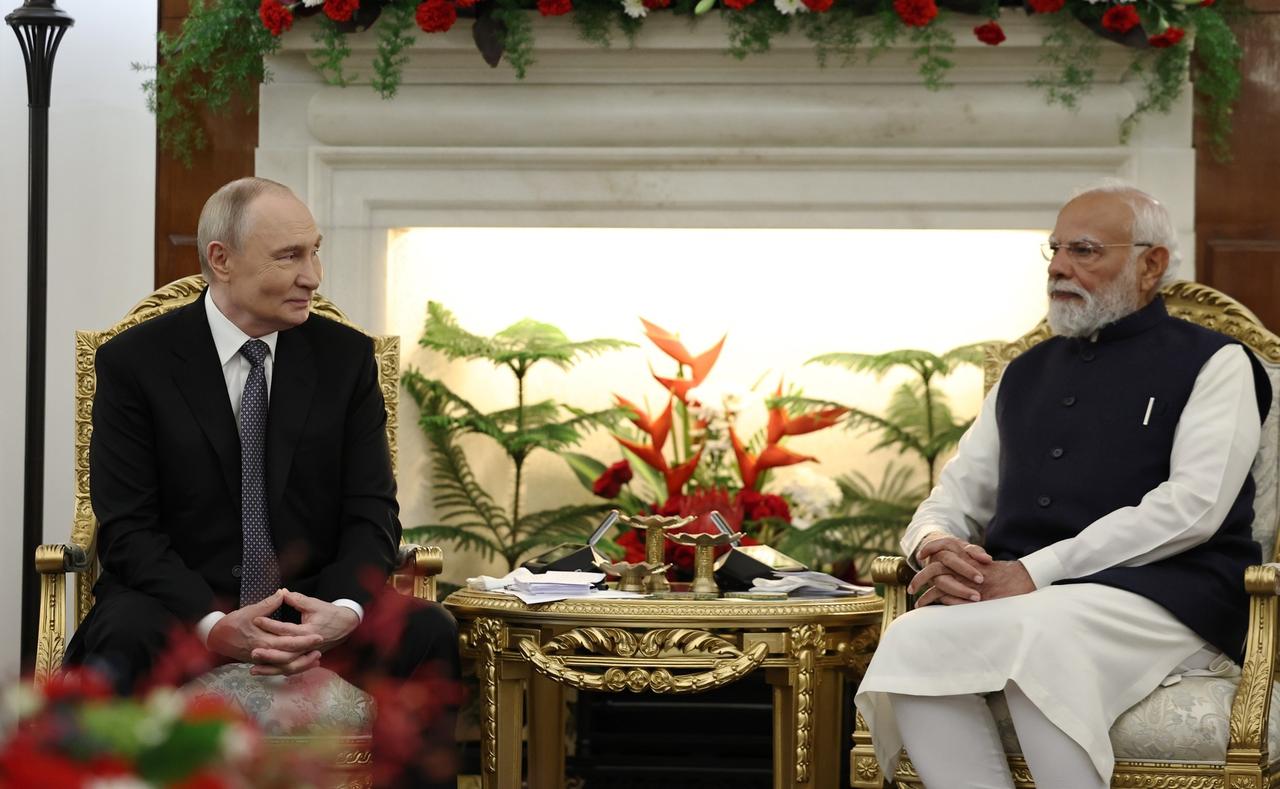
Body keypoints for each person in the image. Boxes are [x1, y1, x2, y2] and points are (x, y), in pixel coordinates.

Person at [854, 183, 1272, 789]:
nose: (1058, 267)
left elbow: (1194, 507)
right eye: (1054, 250)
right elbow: (955, 494)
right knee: (911, 638)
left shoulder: (1216, 361)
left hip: (1172, 592)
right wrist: (935, 544)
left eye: (1084, 250)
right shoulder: (1024, 373)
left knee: (1042, 633)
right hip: (1029, 597)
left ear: (1151, 264)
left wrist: (1034, 572)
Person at [64, 177, 459, 787]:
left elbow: (372, 513)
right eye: (290, 256)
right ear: (221, 259)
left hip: (315, 608)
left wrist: (342, 611)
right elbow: (128, 531)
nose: (313, 276)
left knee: (428, 630)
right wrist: (213, 624)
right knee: (122, 632)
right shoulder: (136, 362)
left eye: (315, 251)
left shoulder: (345, 359)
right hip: (180, 612)